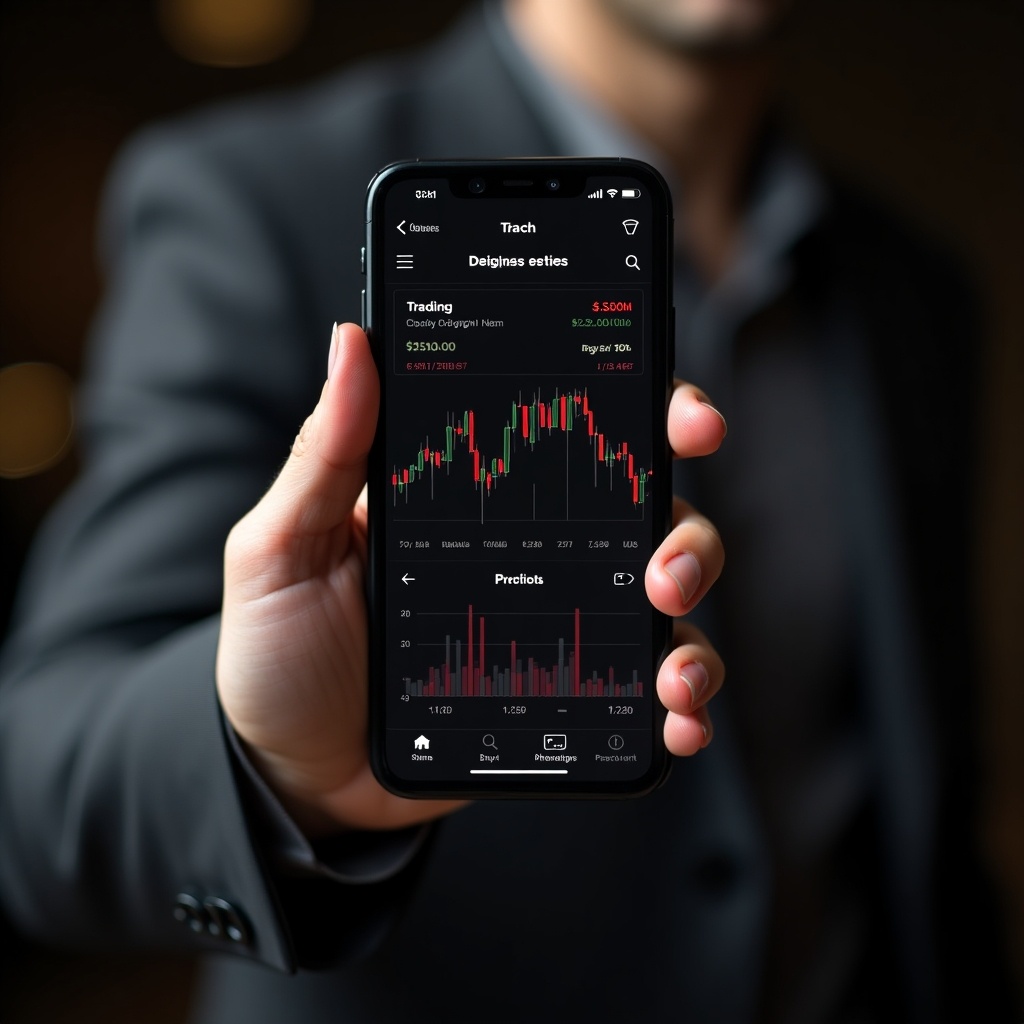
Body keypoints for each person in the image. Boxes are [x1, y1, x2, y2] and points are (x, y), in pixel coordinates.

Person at [0, 1, 1014, 1022]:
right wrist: (274, 765)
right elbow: (38, 797)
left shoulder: (912, 288)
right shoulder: (252, 197)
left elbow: (920, 814)